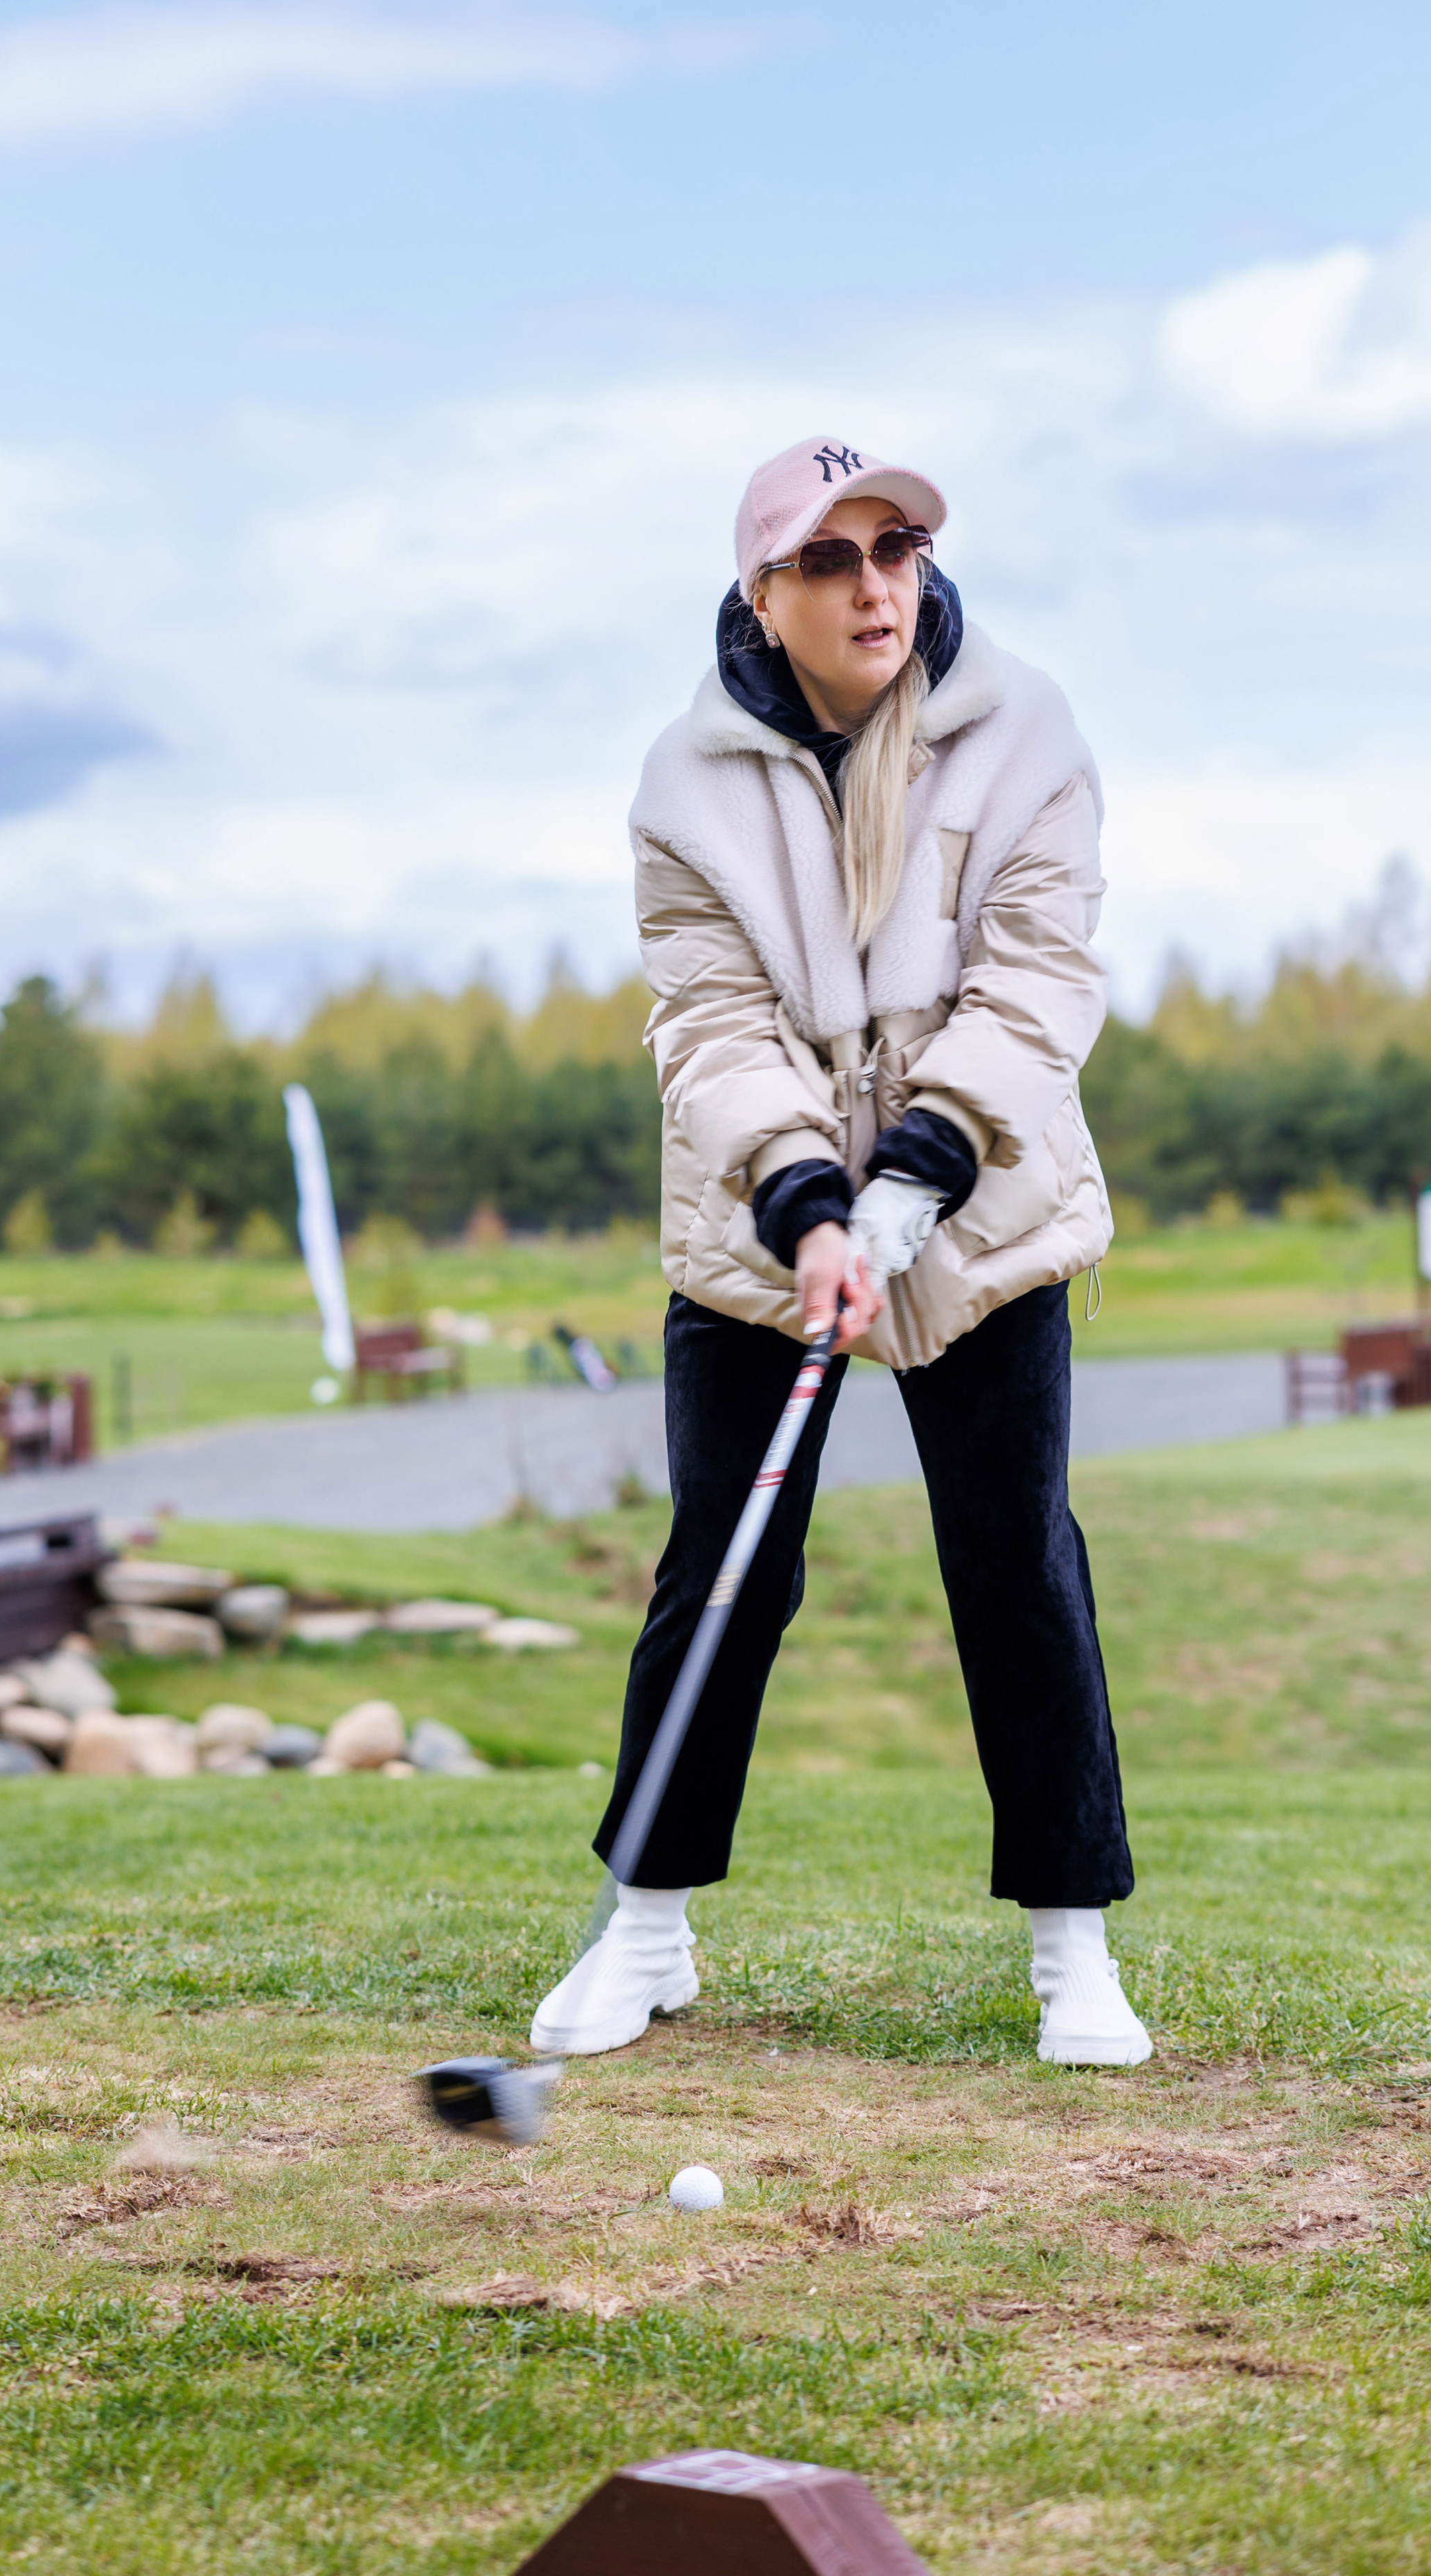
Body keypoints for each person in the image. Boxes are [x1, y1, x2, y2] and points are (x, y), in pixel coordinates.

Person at [530, 435, 1150, 2069]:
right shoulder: (684, 783)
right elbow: (710, 1020)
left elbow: (1038, 982)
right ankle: (645, 1928)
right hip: (758, 1222)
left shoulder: (1026, 735)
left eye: (898, 550)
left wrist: (924, 1165)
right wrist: (808, 1200)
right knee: (725, 1570)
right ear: (764, 593)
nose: (878, 584)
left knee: (1014, 1562)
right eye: (834, 559)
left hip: (985, 1211)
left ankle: (1071, 1955)